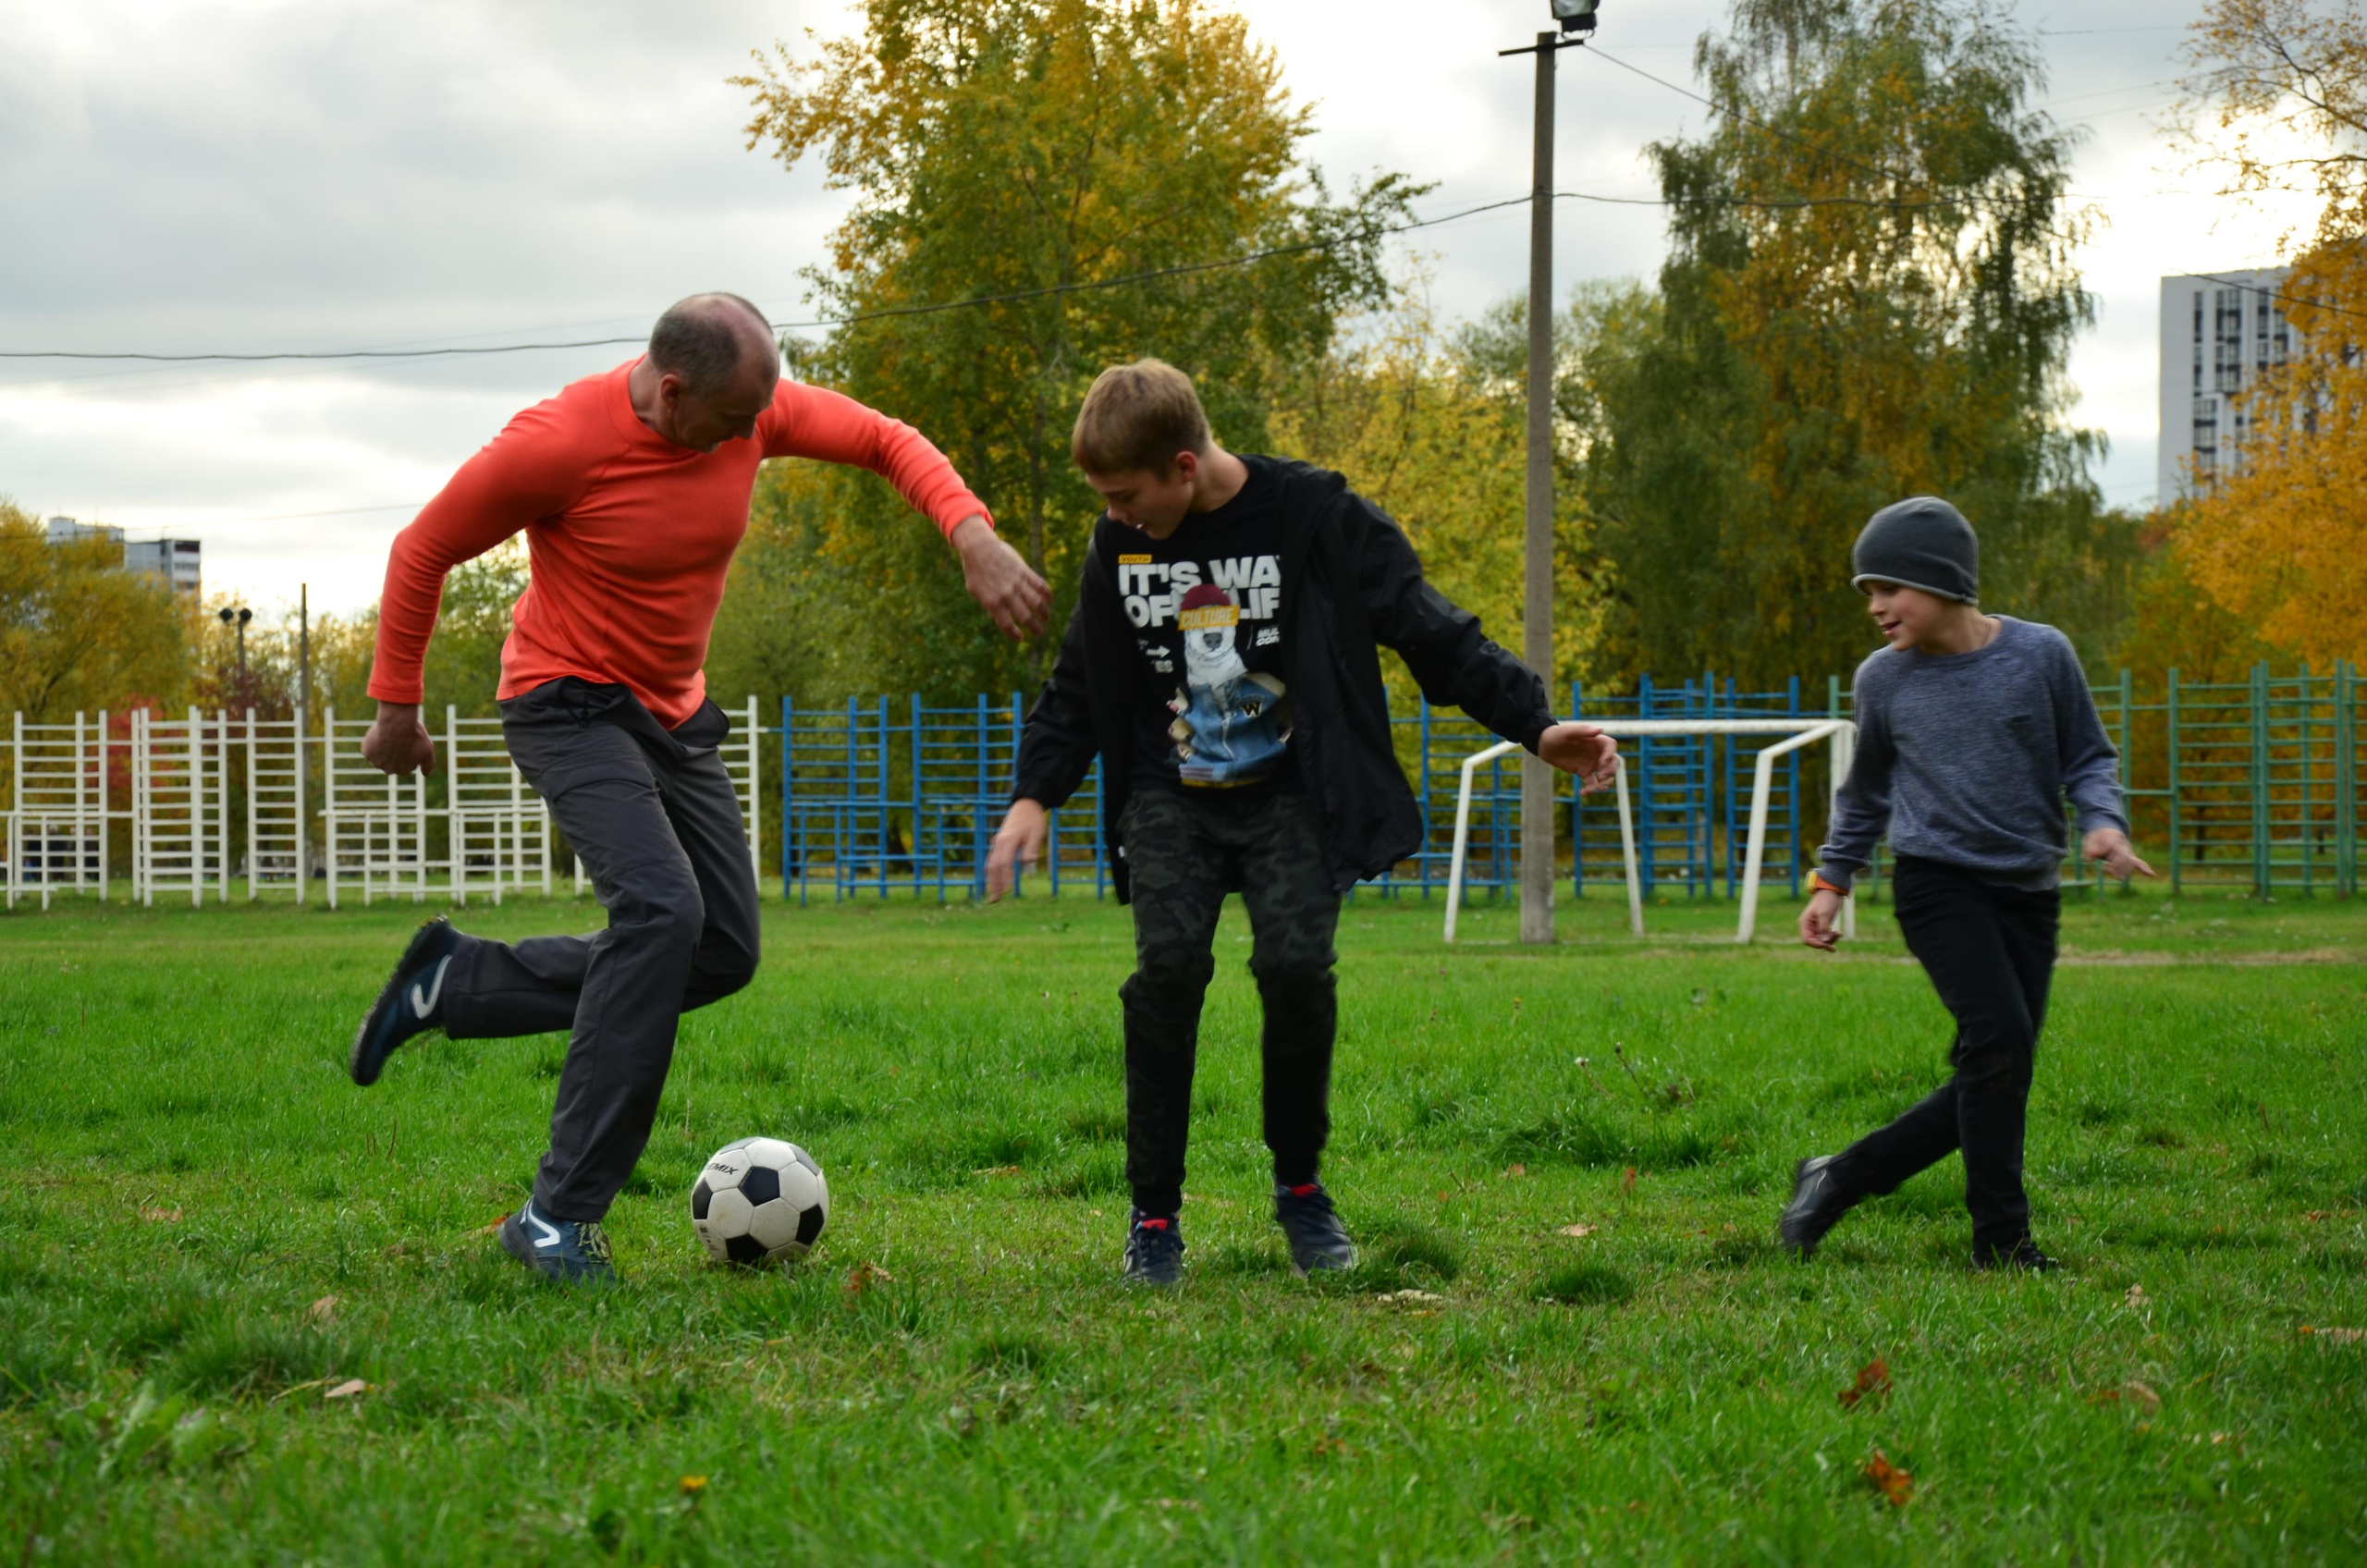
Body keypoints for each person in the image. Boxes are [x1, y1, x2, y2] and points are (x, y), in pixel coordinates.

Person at [347, 293, 1048, 1284]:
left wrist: (969, 532)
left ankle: (453, 982)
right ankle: (557, 1214)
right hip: (565, 702)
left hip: (672, 714)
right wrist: (396, 707)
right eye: (731, 418)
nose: (750, 433)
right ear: (673, 393)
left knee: (719, 946)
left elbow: (888, 440)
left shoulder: (754, 406)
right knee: (660, 910)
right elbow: (421, 548)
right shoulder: (557, 443)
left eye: (761, 413)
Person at [986, 359, 1618, 1286]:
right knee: (1166, 972)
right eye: (1105, 500)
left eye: (1127, 494)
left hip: (1291, 794)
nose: (1117, 514)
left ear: (1183, 465)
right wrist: (1034, 794)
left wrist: (1532, 722)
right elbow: (1081, 681)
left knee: (1292, 970)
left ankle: (1300, 1190)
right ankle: (1153, 1217)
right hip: (1169, 797)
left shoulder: (1312, 517)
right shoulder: (1116, 546)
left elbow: (1427, 625)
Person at [1780, 496, 2152, 1272]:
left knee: (1997, 1066)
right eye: (1868, 594)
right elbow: (1868, 791)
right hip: (1935, 883)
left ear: (1944, 581)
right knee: (1999, 1045)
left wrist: (2102, 821)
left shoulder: (2041, 655)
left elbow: (2088, 754)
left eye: (1889, 588)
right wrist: (1832, 880)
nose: (1876, 607)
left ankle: (1837, 1176)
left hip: (2028, 889)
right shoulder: (1882, 680)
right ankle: (2003, 1244)